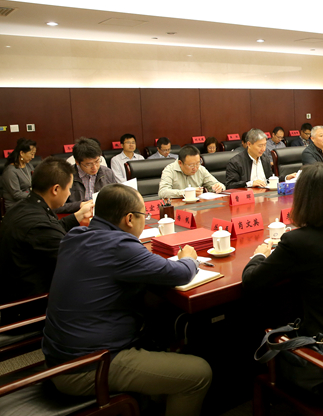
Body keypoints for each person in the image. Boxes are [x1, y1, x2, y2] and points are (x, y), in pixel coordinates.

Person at [43, 184, 211, 416]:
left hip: (59, 356)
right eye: (144, 215)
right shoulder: (120, 247)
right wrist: (189, 259)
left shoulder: (75, 235)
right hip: (87, 366)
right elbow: (180, 273)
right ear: (129, 219)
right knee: (198, 374)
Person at [242, 163, 323, 358]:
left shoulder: (297, 241)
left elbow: (251, 281)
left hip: (322, 347)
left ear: (303, 200)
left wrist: (259, 255)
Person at [0, 157, 94, 303]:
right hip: (31, 302)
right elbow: (79, 263)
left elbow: (52, 228)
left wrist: (78, 215)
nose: (69, 194)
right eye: (69, 188)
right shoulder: (38, 227)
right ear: (56, 189)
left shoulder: (24, 206)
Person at [56, 137, 118, 214]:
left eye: (97, 161)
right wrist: (79, 205)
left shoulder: (107, 173)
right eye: (89, 164)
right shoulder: (66, 176)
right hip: (76, 217)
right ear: (77, 162)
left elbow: (115, 197)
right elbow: (55, 207)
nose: (94, 167)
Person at [158, 145, 224, 198]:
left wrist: (219, 187)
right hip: (177, 207)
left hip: (197, 206)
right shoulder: (169, 170)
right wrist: (186, 192)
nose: (195, 168)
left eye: (198, 163)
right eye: (191, 165)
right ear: (180, 163)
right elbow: (162, 192)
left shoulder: (200, 169)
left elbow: (219, 185)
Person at [2, 137, 37, 211]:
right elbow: (17, 194)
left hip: (30, 201)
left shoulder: (28, 165)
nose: (33, 157)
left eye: (34, 154)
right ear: (22, 153)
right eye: (31, 154)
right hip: (16, 207)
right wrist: (36, 196)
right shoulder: (10, 171)